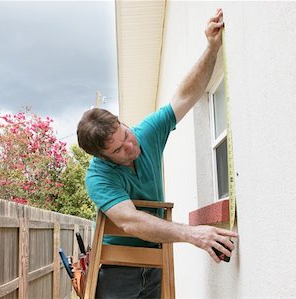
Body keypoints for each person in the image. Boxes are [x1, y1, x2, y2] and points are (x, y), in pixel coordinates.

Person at [77, 8, 238, 299]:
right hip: (117, 270)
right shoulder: (98, 176)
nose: (130, 145)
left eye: (125, 134)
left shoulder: (145, 133)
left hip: (155, 263)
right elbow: (131, 221)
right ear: (103, 156)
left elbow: (185, 96)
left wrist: (211, 47)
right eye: (118, 149)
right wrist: (194, 234)